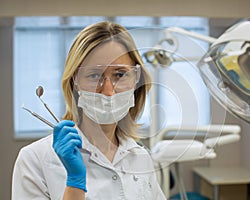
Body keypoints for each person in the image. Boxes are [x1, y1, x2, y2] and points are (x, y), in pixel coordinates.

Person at [12, 21, 166, 200]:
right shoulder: (35, 160)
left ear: (136, 81)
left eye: (120, 74)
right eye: (94, 75)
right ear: (75, 82)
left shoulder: (140, 157)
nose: (108, 91)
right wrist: (74, 182)